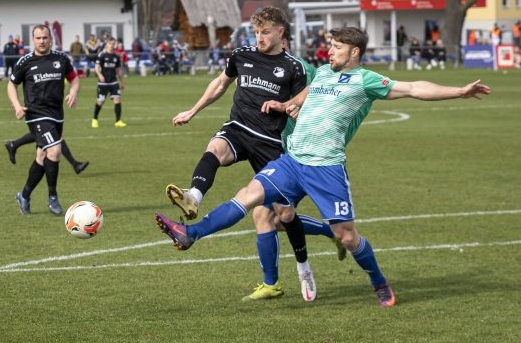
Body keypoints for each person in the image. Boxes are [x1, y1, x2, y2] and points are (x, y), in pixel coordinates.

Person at [156, 26, 491, 307]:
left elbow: (415, 88)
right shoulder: (324, 74)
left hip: (326, 169)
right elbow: (304, 98)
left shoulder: (365, 80)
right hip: (292, 161)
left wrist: (459, 90)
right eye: (330, 46)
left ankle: (378, 280)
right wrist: (284, 104)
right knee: (249, 196)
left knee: (347, 236)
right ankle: (191, 233)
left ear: (355, 52)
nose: (329, 52)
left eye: (337, 48)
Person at [158, 7, 335, 302]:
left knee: (282, 215)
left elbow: (305, 102)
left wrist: (291, 106)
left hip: (270, 144)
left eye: (265, 32)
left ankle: (311, 257)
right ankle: (194, 198)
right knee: (214, 148)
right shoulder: (241, 55)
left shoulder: (295, 67)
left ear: (281, 32)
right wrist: (193, 109)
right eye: (256, 32)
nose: (259, 38)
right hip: (238, 129)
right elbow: (219, 84)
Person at [6, 25, 80, 215]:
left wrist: (73, 93)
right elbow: (11, 85)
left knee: (42, 157)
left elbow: (74, 79)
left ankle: (24, 195)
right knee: (55, 151)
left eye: (45, 38)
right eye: (38, 38)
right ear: (33, 40)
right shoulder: (26, 61)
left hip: (56, 114)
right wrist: (16, 106)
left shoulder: (61, 59)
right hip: (36, 114)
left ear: (51, 39)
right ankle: (53, 197)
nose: (42, 41)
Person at [4, 134, 88, 174]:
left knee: (47, 133)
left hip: (44, 105)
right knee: (55, 133)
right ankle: (74, 164)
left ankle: (14, 144)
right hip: (39, 105)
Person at [92, 37, 126, 128]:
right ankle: (95, 119)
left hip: (113, 82)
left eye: (113, 44)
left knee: (117, 99)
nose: (112, 45)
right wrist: (100, 75)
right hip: (103, 83)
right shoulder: (102, 55)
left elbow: (118, 70)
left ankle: (118, 121)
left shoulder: (116, 56)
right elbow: (96, 67)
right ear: (107, 44)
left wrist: (122, 82)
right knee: (100, 102)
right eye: (110, 44)